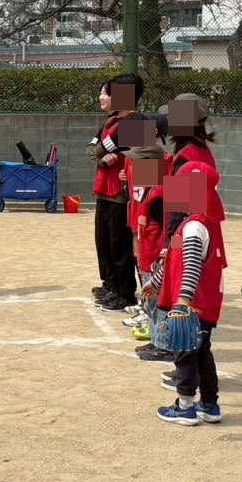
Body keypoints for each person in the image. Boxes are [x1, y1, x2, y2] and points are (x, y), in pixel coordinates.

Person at [150, 157, 227, 426]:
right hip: (203, 303)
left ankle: (185, 406)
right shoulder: (192, 222)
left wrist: (182, 302)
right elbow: (173, 259)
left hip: (193, 304)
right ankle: (210, 404)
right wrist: (157, 282)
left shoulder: (195, 226)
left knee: (184, 352)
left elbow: (192, 266)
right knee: (202, 352)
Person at [89, 74, 142, 312]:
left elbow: (142, 161)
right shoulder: (111, 123)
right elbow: (93, 151)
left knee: (120, 245)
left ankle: (125, 291)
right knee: (104, 242)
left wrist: (103, 150)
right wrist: (102, 157)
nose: (102, 96)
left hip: (121, 196)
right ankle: (110, 284)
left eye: (107, 93)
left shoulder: (135, 123)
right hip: (104, 191)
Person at [122, 144, 172, 363]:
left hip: (155, 260)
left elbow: (170, 231)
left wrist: (161, 258)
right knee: (150, 303)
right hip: (147, 258)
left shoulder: (160, 195)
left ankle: (163, 345)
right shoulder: (150, 190)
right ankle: (155, 340)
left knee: (158, 303)